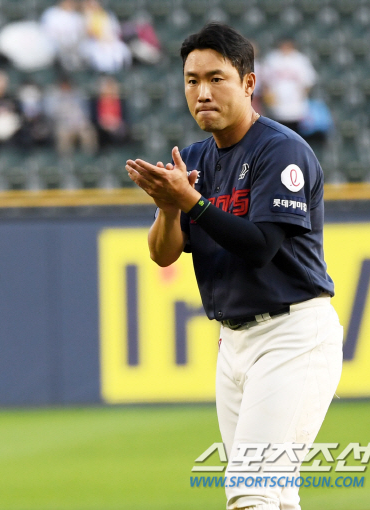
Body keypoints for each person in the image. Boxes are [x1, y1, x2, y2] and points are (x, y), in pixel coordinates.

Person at [126, 23, 342, 510]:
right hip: (234, 344)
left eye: (216, 78)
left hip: (291, 336)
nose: (202, 92)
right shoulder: (197, 157)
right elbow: (163, 253)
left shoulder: (281, 150)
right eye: (191, 80)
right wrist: (168, 208)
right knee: (276, 497)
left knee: (250, 490)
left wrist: (192, 202)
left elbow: (262, 245)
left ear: (248, 83)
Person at [261, 38, 317, 133]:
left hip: (295, 106)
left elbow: (308, 81)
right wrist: (268, 96)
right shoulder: (272, 59)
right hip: (277, 106)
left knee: (295, 134)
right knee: (277, 134)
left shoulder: (300, 60)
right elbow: (265, 81)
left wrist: (302, 95)